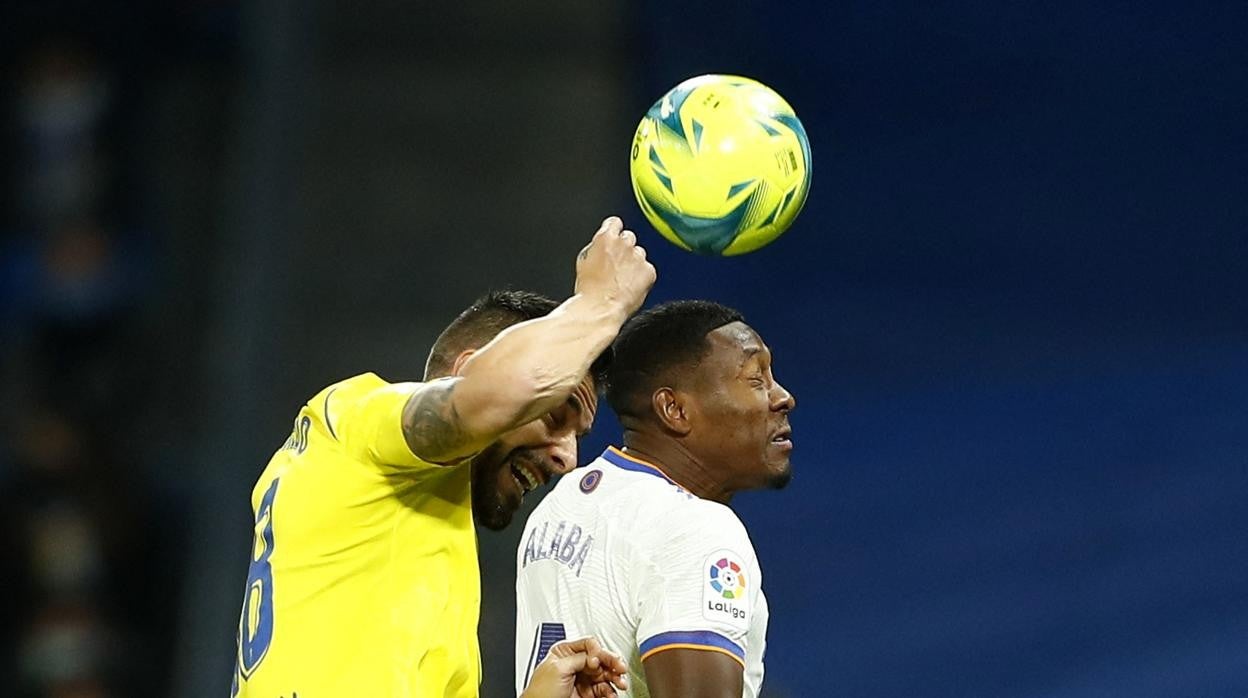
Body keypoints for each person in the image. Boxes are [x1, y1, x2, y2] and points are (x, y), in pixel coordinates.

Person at [230, 217, 654, 698]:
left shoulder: (416, 538)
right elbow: (498, 391)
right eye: (557, 414)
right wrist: (602, 303)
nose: (568, 459)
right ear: (467, 369)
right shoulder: (355, 422)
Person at [514, 300, 796, 698]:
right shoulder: (695, 527)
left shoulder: (560, 505)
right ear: (674, 409)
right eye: (756, 378)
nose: (783, 397)